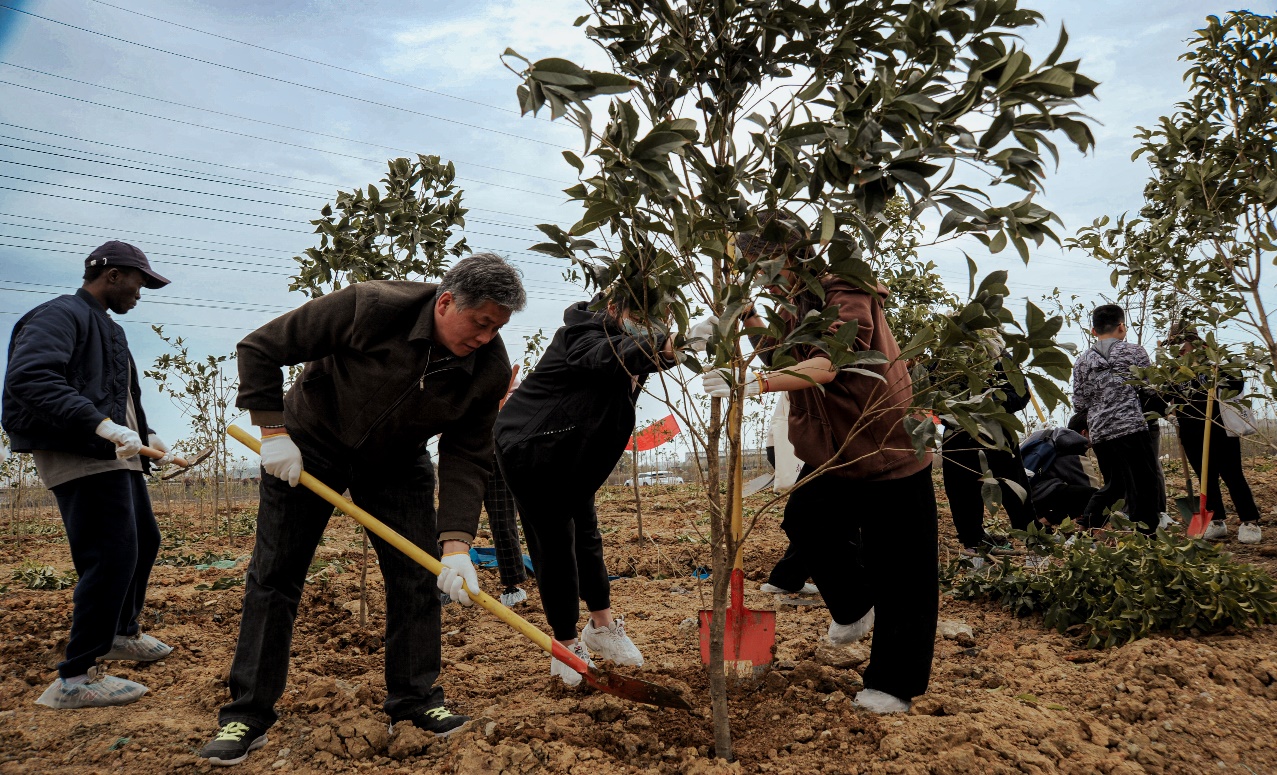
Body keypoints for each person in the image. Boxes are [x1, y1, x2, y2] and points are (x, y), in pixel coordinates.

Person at [198, 254, 525, 766]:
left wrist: (458, 542)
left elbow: (467, 454)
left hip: (396, 463)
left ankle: (415, 702)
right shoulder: (371, 306)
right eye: (480, 323)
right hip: (307, 448)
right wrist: (273, 430)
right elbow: (259, 348)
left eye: (497, 328)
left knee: (418, 576)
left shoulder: (487, 369)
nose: (486, 337)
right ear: (445, 302)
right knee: (275, 575)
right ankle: (248, 713)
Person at [704, 211, 938, 715]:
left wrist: (757, 384)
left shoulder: (843, 291)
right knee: (806, 519)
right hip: (831, 450)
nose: (756, 273)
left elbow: (829, 362)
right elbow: (780, 356)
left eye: (758, 261)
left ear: (787, 256)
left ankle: (893, 684)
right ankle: (855, 606)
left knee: (902, 568)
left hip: (882, 443)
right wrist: (747, 324)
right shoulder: (794, 304)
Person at [3, 241, 176, 709]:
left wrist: (149, 434)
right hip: (78, 448)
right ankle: (75, 677)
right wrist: (98, 425)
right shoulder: (60, 315)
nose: (142, 291)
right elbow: (31, 378)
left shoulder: (110, 330)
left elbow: (122, 398)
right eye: (140, 281)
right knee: (110, 554)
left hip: (115, 452)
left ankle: (121, 632)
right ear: (113, 275)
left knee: (144, 540)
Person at [493, 289, 672, 685]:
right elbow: (609, 356)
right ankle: (565, 642)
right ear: (613, 308)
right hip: (531, 449)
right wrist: (662, 340)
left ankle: (602, 626)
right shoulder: (581, 336)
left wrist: (689, 340)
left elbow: (653, 354)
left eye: (660, 318)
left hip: (572, 451)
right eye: (644, 315)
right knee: (555, 543)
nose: (654, 326)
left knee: (586, 535)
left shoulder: (627, 340)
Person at [939, 330, 1038, 554]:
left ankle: (1033, 539)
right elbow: (932, 394)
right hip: (958, 434)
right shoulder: (945, 360)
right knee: (961, 490)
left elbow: (1020, 394)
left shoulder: (1000, 357)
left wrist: (989, 402)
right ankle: (973, 543)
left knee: (1014, 487)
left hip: (998, 432)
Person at [1070, 304, 1162, 535]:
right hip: (1131, 427)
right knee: (1145, 484)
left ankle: (1087, 524)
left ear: (1094, 331)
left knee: (1115, 485)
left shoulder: (1081, 362)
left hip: (1101, 433)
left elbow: (1079, 404)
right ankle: (1147, 535)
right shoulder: (1134, 352)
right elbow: (1150, 389)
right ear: (1122, 326)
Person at [1169, 328, 1262, 544]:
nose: (1179, 351)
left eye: (1181, 346)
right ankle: (1217, 520)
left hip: (1219, 428)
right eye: (1175, 347)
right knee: (1205, 478)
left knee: (1232, 475)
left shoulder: (1215, 361)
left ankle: (1250, 521)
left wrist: (1217, 365)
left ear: (1194, 343)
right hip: (1190, 431)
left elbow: (1237, 384)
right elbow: (1167, 395)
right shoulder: (1175, 369)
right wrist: (1169, 413)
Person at [760, 394, 819, 595]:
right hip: (800, 447)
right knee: (823, 514)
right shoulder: (814, 367)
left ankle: (787, 577)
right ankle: (785, 578)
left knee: (821, 514)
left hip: (798, 445)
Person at [486, 364, 529, 607]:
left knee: (503, 520)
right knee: (455, 524)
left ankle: (512, 584)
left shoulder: (501, 367)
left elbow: (519, 400)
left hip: (498, 452)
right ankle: (448, 580)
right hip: (462, 453)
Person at [1020, 426, 1096, 525]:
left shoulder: (1041, 434)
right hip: (1036, 493)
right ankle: (1042, 523)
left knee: (1055, 488)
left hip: (1017, 490)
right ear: (1084, 433)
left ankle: (1038, 524)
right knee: (1093, 496)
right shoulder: (1072, 447)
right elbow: (1091, 488)